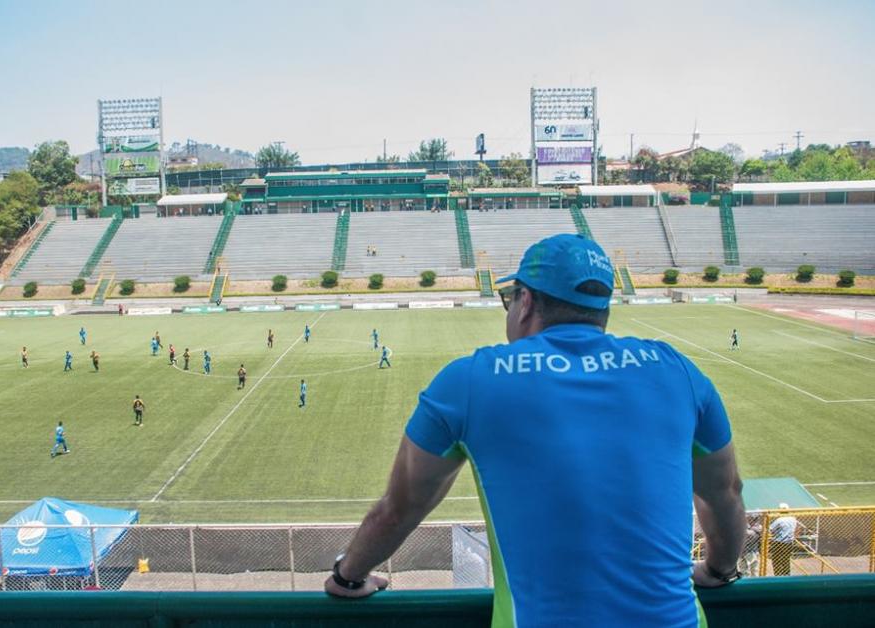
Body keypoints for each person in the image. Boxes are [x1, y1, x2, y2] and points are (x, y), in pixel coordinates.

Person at [324, 234, 746, 627]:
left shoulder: (469, 381)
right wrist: (719, 569)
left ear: (524, 302)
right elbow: (724, 492)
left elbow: (399, 509)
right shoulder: (676, 370)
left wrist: (348, 576)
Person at [769, 503, 798, 576]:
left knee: (776, 560)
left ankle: (777, 575)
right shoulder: (793, 518)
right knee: (786, 560)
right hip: (789, 542)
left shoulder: (779, 520)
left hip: (778, 542)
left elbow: (770, 529)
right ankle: (786, 575)